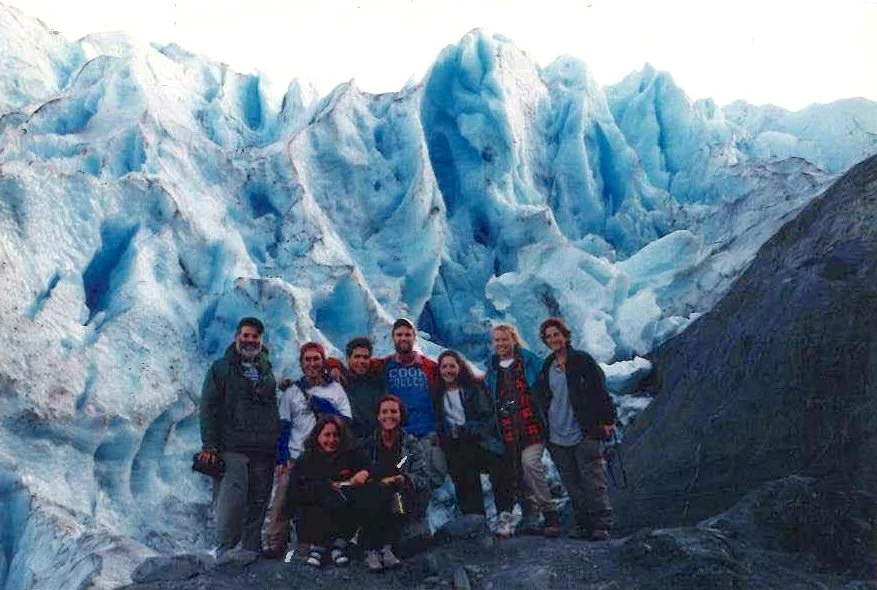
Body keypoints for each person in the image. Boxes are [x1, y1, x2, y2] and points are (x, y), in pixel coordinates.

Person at [198, 317, 280, 555]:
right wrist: (210, 445)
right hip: (232, 446)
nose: (250, 341)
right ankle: (226, 551)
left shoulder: (266, 367)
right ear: (237, 337)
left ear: (261, 340)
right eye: (246, 336)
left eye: (255, 337)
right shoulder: (221, 368)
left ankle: (251, 550)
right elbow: (208, 407)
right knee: (232, 502)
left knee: (258, 500)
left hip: (264, 448)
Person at [264, 342, 353, 558]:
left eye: (316, 359)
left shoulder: (335, 389)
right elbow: (284, 426)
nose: (312, 363)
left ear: (323, 361)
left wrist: (322, 405)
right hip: (297, 456)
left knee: (327, 499)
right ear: (301, 363)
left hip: (328, 457)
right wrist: (282, 457)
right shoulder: (291, 392)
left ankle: (325, 541)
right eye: (308, 359)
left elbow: (346, 421)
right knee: (284, 495)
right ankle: (276, 542)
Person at [535, 317, 617, 541]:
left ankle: (602, 524)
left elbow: (601, 391)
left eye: (556, 334)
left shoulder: (582, 361)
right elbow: (541, 397)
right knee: (572, 483)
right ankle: (583, 525)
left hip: (584, 430)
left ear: (565, 336)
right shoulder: (548, 366)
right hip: (557, 433)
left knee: (592, 478)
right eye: (549, 336)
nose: (553, 339)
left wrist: (608, 420)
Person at [484, 323, 561, 537]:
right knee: (518, 474)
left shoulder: (529, 360)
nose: (500, 343)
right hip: (508, 430)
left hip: (532, 427)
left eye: (504, 339)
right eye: (497, 340)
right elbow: (492, 399)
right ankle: (530, 517)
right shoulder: (492, 368)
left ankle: (550, 513)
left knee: (530, 464)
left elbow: (548, 386)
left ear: (513, 339)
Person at [433, 350, 514, 518]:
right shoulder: (437, 395)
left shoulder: (473, 389)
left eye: (452, 366)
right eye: (444, 367)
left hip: (479, 442)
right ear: (439, 370)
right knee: (463, 477)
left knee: (499, 466)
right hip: (455, 446)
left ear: (460, 367)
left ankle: (505, 515)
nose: (448, 370)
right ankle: (474, 520)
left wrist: (467, 429)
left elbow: (488, 419)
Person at [359, 395, 432, 572]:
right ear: (377, 416)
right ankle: (372, 549)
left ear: (401, 415)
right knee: (375, 494)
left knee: (397, 497)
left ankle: (386, 547)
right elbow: (360, 472)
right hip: (374, 495)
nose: (389, 416)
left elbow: (424, 477)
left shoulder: (411, 444)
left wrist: (405, 479)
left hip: (400, 496)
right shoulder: (368, 445)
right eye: (384, 412)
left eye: (394, 411)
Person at [295, 415, 370, 568]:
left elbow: (368, 468)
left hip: (343, 507)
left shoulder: (350, 455)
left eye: (335, 435)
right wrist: (326, 486)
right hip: (316, 508)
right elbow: (296, 490)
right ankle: (317, 547)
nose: (331, 440)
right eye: (327, 435)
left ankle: (339, 546)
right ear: (317, 436)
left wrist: (363, 473)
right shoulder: (306, 459)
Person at [342, 337, 386, 440]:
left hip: (375, 443)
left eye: (365, 357)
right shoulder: (341, 383)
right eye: (357, 357)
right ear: (348, 359)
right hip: (348, 446)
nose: (361, 361)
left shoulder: (378, 383)